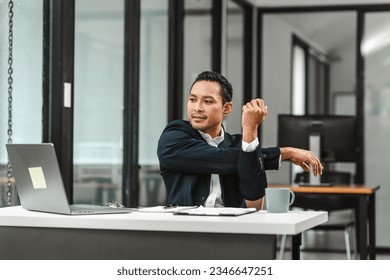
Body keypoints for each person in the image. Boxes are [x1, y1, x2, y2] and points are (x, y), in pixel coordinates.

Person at [157, 70, 323, 210]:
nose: (197, 107)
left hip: (234, 231)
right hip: (184, 230)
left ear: (227, 108)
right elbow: (220, 158)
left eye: (207, 101)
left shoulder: (240, 145)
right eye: (192, 99)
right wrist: (282, 153)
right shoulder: (174, 136)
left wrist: (250, 130)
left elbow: (255, 198)